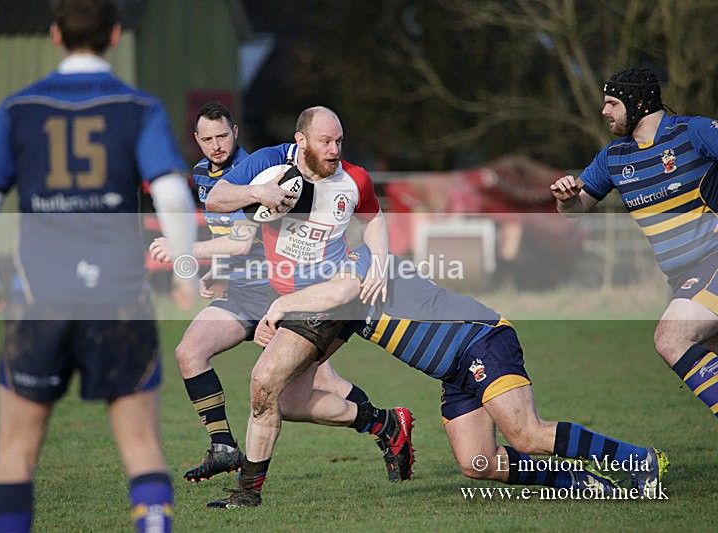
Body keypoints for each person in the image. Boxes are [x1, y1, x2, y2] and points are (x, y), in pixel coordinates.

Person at [0, 1, 197, 531]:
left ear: (54, 35)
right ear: (115, 35)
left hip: (39, 298)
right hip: (118, 298)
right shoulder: (138, 108)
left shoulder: (19, 107)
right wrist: (185, 273)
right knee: (141, 447)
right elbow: (173, 197)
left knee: (16, 453)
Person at [256, 246, 669, 499]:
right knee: (477, 463)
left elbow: (342, 290)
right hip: (455, 372)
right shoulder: (334, 304)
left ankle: (638, 461)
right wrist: (276, 348)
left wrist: (280, 308)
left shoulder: (363, 260)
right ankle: (583, 483)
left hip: (480, 340)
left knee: (525, 433)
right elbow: (305, 362)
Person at [148, 101, 378, 483]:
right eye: (206, 139)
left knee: (311, 388)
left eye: (222, 135)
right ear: (196, 141)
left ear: (235, 132)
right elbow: (228, 228)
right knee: (190, 352)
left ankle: (385, 426)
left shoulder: (263, 169)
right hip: (241, 290)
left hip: (276, 292)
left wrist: (183, 250)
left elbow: (240, 242)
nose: (215, 145)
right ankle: (223, 446)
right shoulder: (204, 173)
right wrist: (219, 273)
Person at [201, 106, 414, 508]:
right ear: (300, 141)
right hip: (290, 298)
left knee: (263, 380)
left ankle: (247, 493)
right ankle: (386, 425)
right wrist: (256, 193)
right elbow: (216, 199)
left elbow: (373, 217)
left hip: (329, 298)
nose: (335, 150)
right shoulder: (268, 163)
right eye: (325, 141)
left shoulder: (354, 178)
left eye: (339, 142)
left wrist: (380, 264)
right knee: (289, 402)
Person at [550, 66, 718, 419]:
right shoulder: (613, 157)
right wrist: (566, 197)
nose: (604, 112)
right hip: (684, 280)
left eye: (611, 103)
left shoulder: (693, 132)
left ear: (638, 102)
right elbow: (576, 209)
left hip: (712, 263)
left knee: (670, 338)